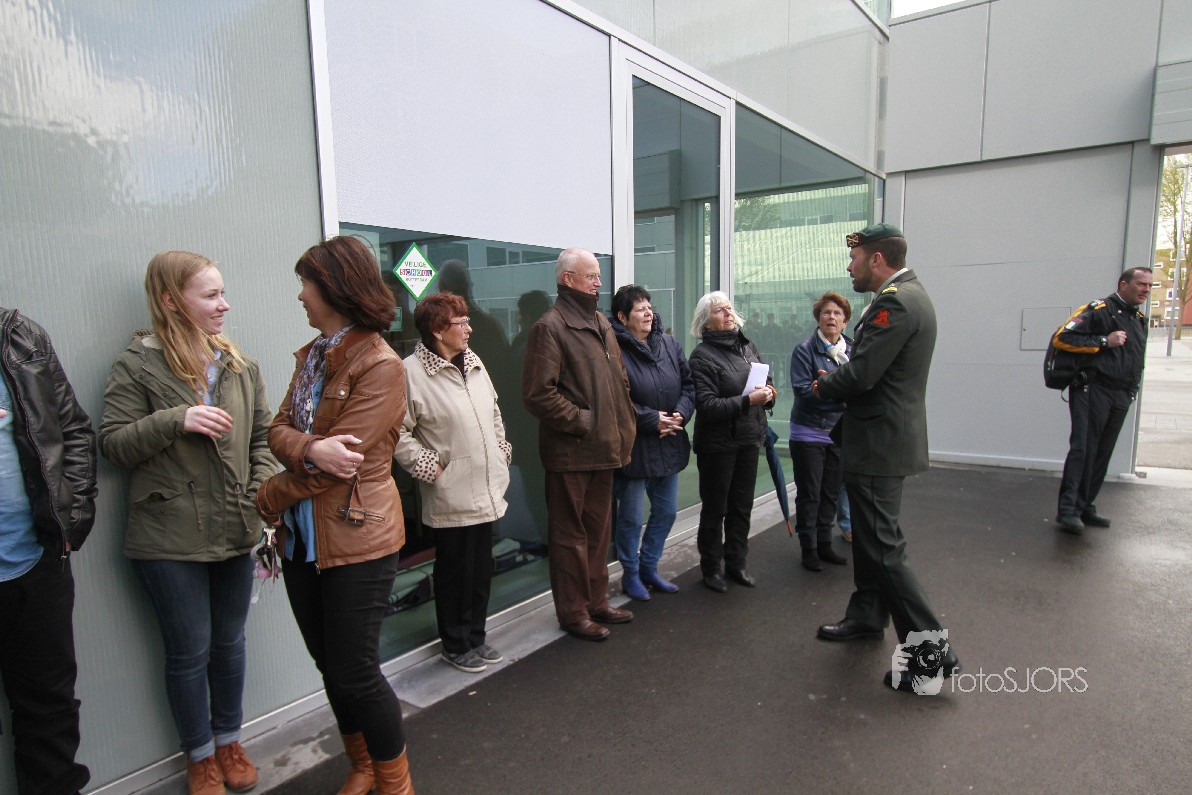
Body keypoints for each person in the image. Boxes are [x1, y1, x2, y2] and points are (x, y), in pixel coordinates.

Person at [99, 253, 271, 794]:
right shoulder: (137, 365)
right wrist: (176, 419)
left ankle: (230, 741)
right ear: (171, 301)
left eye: (223, 293)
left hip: (236, 528)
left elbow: (263, 439)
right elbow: (112, 444)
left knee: (230, 643)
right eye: (210, 295)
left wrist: (258, 495)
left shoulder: (239, 365)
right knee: (190, 650)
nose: (225, 305)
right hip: (168, 539)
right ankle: (199, 756)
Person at [254, 236, 413, 794]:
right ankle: (363, 766)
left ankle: (395, 784)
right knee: (331, 667)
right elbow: (275, 430)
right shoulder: (314, 356)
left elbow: (340, 468)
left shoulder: (381, 365)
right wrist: (310, 447)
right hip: (303, 540)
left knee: (356, 672)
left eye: (306, 283)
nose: (300, 295)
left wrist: (269, 495)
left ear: (335, 288)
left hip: (357, 537)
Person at [812, 223, 959, 692]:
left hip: (878, 444)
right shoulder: (908, 295)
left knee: (884, 549)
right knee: (873, 540)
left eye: (854, 259)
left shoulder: (895, 302)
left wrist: (824, 385)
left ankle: (931, 658)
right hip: (883, 440)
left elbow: (862, 374)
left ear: (876, 259)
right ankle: (867, 615)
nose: (849, 267)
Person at [0, 307, 96, 795]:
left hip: (35, 562)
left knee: (50, 710)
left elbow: (73, 429)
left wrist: (70, 520)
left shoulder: (19, 336)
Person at [521, 247, 636, 642]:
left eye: (598, 275)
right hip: (572, 452)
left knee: (598, 533)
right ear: (568, 279)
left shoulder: (600, 321)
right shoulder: (550, 327)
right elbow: (538, 394)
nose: (599, 283)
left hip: (604, 449)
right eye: (591, 276)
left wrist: (621, 420)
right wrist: (585, 422)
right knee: (570, 538)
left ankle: (596, 601)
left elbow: (619, 379)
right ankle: (573, 613)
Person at [394, 293, 512, 674]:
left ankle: (476, 636)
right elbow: (396, 433)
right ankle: (455, 644)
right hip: (451, 491)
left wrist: (501, 450)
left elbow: (494, 412)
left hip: (486, 484)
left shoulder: (473, 361)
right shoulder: (410, 373)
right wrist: (432, 468)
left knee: (480, 570)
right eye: (461, 323)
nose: (469, 329)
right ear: (437, 330)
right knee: (454, 573)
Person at [609, 285, 695, 601]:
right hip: (635, 447)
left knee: (667, 512)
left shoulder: (669, 344)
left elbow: (689, 385)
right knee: (631, 518)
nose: (647, 312)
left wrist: (680, 413)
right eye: (639, 308)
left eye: (649, 306)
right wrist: (651, 419)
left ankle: (649, 566)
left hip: (669, 439)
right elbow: (614, 399)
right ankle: (630, 573)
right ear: (622, 317)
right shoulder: (613, 349)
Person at [688, 292, 776, 593]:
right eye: (719, 311)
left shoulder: (747, 346)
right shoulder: (701, 357)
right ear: (705, 323)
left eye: (729, 308)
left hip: (749, 439)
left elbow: (766, 381)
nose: (727, 313)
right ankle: (711, 568)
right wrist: (748, 400)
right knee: (716, 509)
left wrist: (769, 394)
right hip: (718, 445)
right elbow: (707, 406)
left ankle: (737, 563)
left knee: (741, 507)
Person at [1052, 268, 1152, 533]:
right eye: (1141, 284)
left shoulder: (1139, 319)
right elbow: (1062, 337)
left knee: (1102, 452)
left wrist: (1131, 391)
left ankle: (1085, 506)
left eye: (1150, 285)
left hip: (1121, 394)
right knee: (1084, 449)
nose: (1146, 289)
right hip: (1093, 389)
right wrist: (1104, 341)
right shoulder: (1099, 310)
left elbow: (1136, 359)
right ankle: (1068, 511)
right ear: (1124, 284)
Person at [789, 292, 853, 572]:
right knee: (810, 494)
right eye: (826, 312)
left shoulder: (853, 349)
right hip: (809, 432)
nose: (832, 318)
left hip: (840, 433)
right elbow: (804, 391)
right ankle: (809, 549)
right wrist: (842, 399)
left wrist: (831, 390)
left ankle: (825, 544)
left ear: (845, 321)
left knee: (830, 492)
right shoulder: (804, 350)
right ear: (818, 318)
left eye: (838, 314)